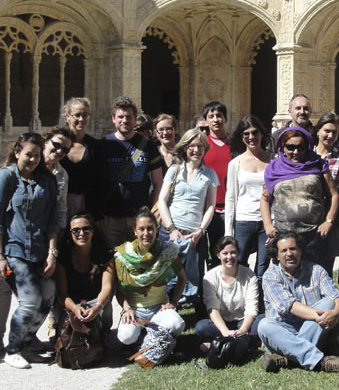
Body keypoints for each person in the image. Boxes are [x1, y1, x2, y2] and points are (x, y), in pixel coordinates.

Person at [0, 133, 59, 369]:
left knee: (48, 295)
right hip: (15, 249)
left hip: (39, 250)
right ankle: (13, 348)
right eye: (28, 154)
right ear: (17, 151)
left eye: (37, 155)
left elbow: (52, 220)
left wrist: (52, 253)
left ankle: (28, 341)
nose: (33, 160)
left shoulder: (47, 180)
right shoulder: (6, 177)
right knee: (29, 301)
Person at [258, 232, 339, 373]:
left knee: (327, 302)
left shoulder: (316, 270)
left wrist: (335, 313)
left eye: (293, 249)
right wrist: (321, 316)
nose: (289, 254)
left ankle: (288, 358)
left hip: (313, 329)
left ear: (301, 251)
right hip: (284, 332)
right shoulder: (270, 275)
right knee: (264, 325)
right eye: (283, 251)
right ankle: (321, 362)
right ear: (277, 256)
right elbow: (288, 305)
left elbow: (337, 296)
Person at [260, 126, 339, 276]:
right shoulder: (274, 169)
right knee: (288, 277)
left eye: (301, 147)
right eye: (291, 147)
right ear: (283, 147)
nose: (296, 152)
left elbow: (334, 195)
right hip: (284, 235)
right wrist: (268, 225)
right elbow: (265, 199)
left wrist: (329, 221)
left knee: (316, 276)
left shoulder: (318, 164)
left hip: (314, 234)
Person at [157, 127, 219, 304]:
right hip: (170, 232)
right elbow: (162, 200)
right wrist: (171, 229)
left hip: (194, 236)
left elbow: (210, 206)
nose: (196, 150)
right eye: (192, 146)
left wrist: (201, 230)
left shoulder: (209, 174)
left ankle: (192, 324)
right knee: (167, 279)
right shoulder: (174, 170)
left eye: (200, 146)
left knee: (193, 279)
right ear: (185, 147)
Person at [114, 209, 186, 351]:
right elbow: (119, 289)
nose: (146, 234)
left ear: (157, 229)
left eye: (150, 228)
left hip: (159, 308)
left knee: (177, 325)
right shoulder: (123, 255)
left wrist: (173, 303)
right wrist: (127, 309)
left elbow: (182, 279)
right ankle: (148, 337)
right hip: (134, 309)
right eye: (141, 229)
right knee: (126, 337)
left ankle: (146, 337)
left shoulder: (167, 252)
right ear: (135, 231)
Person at [99, 96, 164, 249]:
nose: (124, 120)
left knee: (139, 263)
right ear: (113, 119)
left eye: (129, 116)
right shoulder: (103, 145)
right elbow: (96, 182)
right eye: (120, 116)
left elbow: (158, 182)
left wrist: (152, 212)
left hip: (138, 218)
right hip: (110, 218)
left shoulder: (148, 146)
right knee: (112, 263)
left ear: (135, 119)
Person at [225, 115, 273, 279]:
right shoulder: (235, 164)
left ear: (261, 134)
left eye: (255, 132)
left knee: (264, 265)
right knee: (239, 263)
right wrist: (228, 231)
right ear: (241, 136)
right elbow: (230, 198)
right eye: (246, 134)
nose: (251, 137)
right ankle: (241, 301)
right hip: (243, 219)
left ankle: (260, 301)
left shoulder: (273, 160)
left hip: (267, 221)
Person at [196, 236, 262, 350]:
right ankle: (246, 340)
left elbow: (252, 308)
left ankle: (223, 341)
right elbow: (212, 308)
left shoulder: (249, 275)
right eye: (225, 253)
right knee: (201, 327)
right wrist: (225, 331)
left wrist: (242, 330)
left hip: (243, 322)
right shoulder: (210, 277)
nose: (229, 257)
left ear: (238, 253)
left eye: (233, 253)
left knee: (262, 321)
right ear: (218, 255)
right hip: (221, 324)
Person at [55, 213, 115, 333]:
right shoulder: (63, 256)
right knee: (58, 306)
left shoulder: (104, 253)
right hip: (72, 302)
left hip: (95, 301)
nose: (81, 233)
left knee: (106, 306)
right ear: (70, 233)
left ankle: (102, 334)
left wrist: (98, 306)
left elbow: (107, 287)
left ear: (93, 231)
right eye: (76, 230)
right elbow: (62, 293)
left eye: (86, 229)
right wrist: (74, 307)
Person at [313, 112, 339, 282]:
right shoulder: (304, 154)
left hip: (329, 216)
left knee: (326, 264)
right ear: (318, 131)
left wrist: (332, 198)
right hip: (306, 215)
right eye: (326, 131)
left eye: (334, 132)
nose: (330, 136)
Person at [201, 101, 231, 268]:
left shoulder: (235, 144)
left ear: (225, 118)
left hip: (231, 207)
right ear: (206, 121)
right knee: (212, 252)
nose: (215, 119)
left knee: (229, 251)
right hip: (209, 208)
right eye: (211, 116)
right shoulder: (202, 145)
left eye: (219, 115)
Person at [60, 97, 100, 219]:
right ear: (68, 116)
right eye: (77, 115)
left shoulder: (95, 146)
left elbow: (100, 178)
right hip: (59, 202)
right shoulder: (58, 143)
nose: (81, 119)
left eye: (85, 115)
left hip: (87, 205)